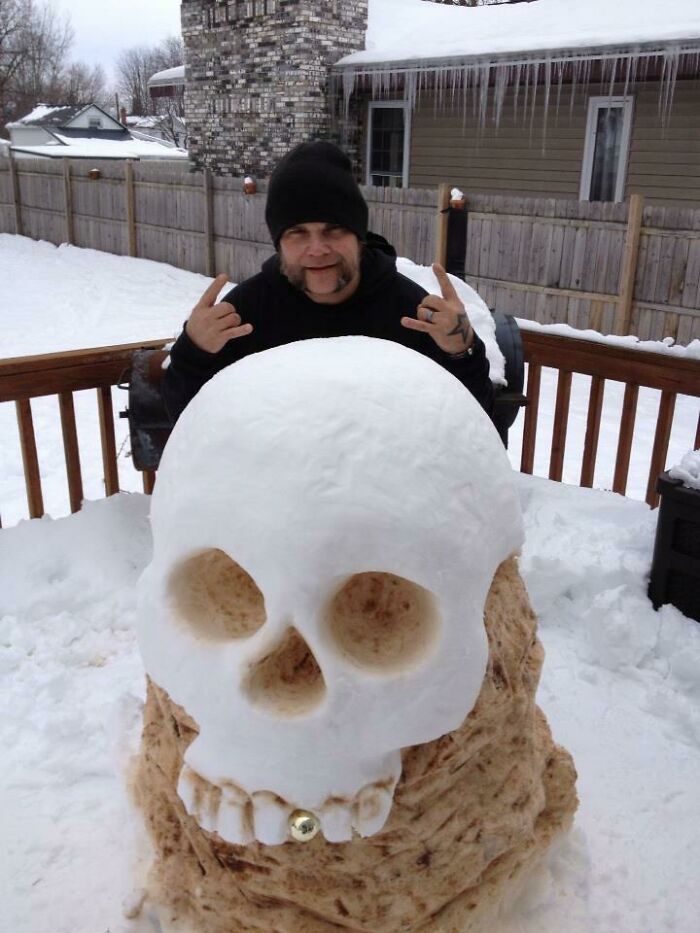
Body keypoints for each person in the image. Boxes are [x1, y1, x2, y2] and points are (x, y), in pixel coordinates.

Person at [162, 141, 493, 422]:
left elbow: (479, 430)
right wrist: (194, 352)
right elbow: (183, 424)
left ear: (358, 237)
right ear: (279, 244)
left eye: (333, 229)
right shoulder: (243, 315)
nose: (317, 249)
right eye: (297, 233)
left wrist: (462, 351)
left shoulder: (412, 313)